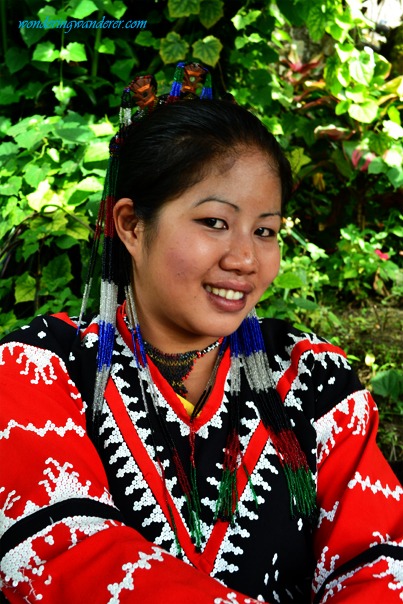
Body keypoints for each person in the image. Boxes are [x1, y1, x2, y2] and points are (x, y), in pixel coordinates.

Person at [0, 63, 402, 604]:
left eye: (265, 231)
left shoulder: (312, 379)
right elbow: (61, 555)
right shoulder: (36, 368)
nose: (245, 258)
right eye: (215, 221)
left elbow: (380, 560)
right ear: (131, 226)